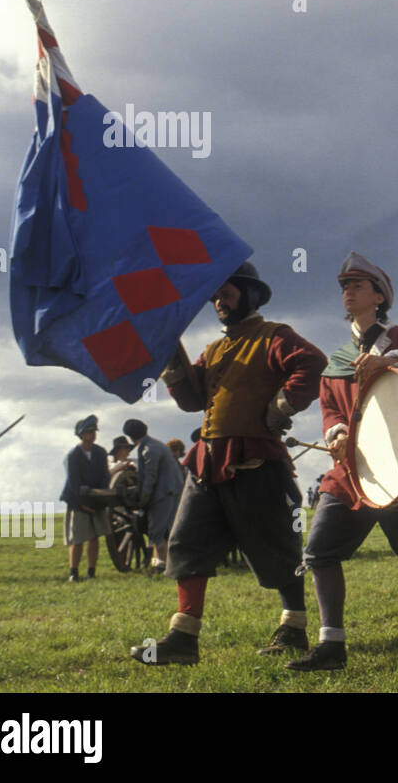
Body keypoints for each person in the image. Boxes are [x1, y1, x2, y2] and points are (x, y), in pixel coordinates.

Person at [133, 261, 327, 666]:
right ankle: (183, 638)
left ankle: (293, 628)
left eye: (228, 293)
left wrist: (281, 406)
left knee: (278, 547)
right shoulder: (215, 349)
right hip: (206, 465)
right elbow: (191, 401)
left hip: (257, 462)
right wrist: (171, 352)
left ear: (250, 295)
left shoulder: (275, 336)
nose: (219, 301)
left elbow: (312, 361)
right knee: (186, 545)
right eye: (216, 296)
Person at [289, 252, 398, 671]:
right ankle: (332, 645)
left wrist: (390, 360)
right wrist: (338, 434)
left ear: (379, 297)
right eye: (344, 287)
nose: (347, 291)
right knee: (319, 550)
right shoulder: (337, 360)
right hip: (350, 473)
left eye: (357, 286)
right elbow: (330, 409)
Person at [123, 419, 184, 576]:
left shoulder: (149, 449)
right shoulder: (156, 445)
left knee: (157, 532)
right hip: (173, 491)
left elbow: (150, 478)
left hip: (163, 494)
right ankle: (169, 566)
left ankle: (160, 567)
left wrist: (143, 499)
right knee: (167, 531)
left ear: (130, 437)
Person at [60, 415, 111, 582]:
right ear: (82, 435)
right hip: (78, 501)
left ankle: (91, 571)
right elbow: (74, 482)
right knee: (77, 539)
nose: (92, 435)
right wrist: (83, 503)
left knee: (94, 537)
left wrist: (100, 496)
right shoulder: (73, 455)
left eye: (94, 432)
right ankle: (73, 572)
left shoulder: (100, 452)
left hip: (95, 500)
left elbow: (105, 476)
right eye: (89, 432)